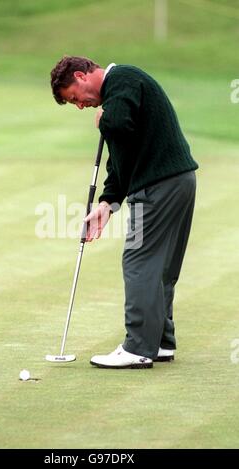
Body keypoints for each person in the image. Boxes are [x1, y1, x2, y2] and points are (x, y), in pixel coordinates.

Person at [50, 56, 198, 369]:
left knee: (139, 259)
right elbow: (122, 157)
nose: (81, 106)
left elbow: (116, 122)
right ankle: (160, 342)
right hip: (176, 181)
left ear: (82, 75)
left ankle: (138, 347)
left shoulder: (123, 80)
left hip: (160, 185)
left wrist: (103, 117)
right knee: (160, 265)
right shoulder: (119, 94)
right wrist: (107, 203)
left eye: (76, 98)